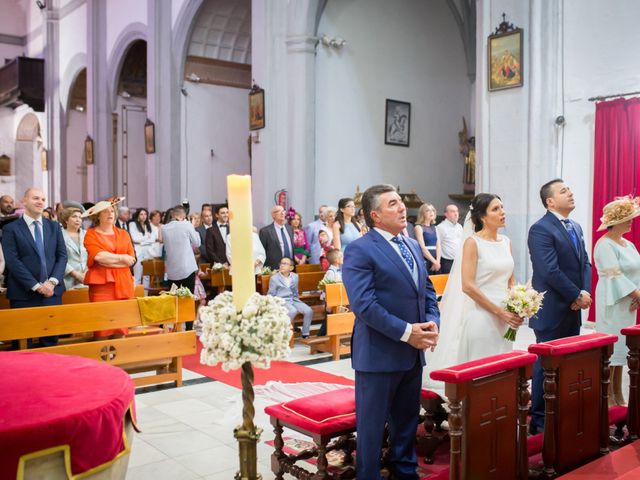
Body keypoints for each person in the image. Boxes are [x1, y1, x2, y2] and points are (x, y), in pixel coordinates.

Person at [342, 184, 439, 479]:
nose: (402, 208)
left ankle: (405, 472)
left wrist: (433, 322)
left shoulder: (409, 244)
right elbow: (364, 305)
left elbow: (427, 291)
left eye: (400, 202)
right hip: (379, 353)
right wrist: (408, 331)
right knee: (371, 427)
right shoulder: (360, 249)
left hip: (412, 353)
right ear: (375, 215)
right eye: (393, 204)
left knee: (407, 422)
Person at [424, 194, 521, 392]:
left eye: (502, 207)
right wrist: (499, 312)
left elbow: (511, 279)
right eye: (495, 209)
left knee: (501, 369)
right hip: (483, 316)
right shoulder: (472, 243)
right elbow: (467, 286)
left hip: (506, 317)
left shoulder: (506, 242)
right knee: (481, 372)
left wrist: (519, 304)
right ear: (483, 217)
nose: (502, 212)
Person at [528, 179, 592, 435]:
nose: (571, 193)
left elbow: (584, 263)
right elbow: (549, 270)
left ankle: (561, 411)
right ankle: (540, 419)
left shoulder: (575, 226)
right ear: (550, 201)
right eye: (564, 191)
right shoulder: (541, 229)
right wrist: (575, 293)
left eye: (570, 189)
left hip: (573, 307)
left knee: (566, 363)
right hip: (552, 307)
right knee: (546, 364)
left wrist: (584, 292)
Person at [2, 188, 67, 347]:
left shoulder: (54, 227)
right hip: (23, 293)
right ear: (24, 201)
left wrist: (51, 282)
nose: (40, 202)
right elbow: (13, 261)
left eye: (43, 199)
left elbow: (62, 256)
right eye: (35, 198)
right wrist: (36, 286)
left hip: (51, 293)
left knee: (50, 342)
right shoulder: (10, 229)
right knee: (24, 344)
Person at [593, 196, 640, 406]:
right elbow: (616, 275)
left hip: (629, 302)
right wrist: (637, 295)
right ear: (615, 221)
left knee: (624, 348)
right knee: (613, 348)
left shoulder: (627, 244)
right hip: (613, 301)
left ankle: (618, 393)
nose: (632, 222)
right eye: (628, 218)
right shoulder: (604, 245)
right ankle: (608, 396)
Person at [82, 197, 136, 339]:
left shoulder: (123, 234)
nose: (110, 214)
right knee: (102, 327)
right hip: (102, 287)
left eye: (112, 210)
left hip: (123, 283)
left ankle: (119, 361)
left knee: (121, 326)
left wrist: (112, 260)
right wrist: (121, 258)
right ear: (97, 216)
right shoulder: (91, 234)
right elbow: (99, 257)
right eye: (105, 212)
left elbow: (131, 259)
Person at [268, 256, 314, 338]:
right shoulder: (274, 278)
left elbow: (295, 291)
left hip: (293, 299)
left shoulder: (295, 276)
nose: (282, 265)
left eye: (285, 264)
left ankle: (305, 333)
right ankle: (282, 332)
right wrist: (273, 306)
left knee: (308, 310)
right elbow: (271, 294)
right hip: (282, 300)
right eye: (281, 263)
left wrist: (298, 302)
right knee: (292, 311)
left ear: (291, 268)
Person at [161, 205, 201, 295]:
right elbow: (197, 243)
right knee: (188, 299)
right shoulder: (187, 225)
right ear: (183, 216)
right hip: (187, 269)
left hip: (172, 271)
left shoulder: (164, 228)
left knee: (174, 299)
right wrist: (193, 227)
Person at [59, 207, 88, 290]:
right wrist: (76, 274)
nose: (78, 220)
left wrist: (85, 273)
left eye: (80, 217)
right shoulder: (59, 235)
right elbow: (58, 257)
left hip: (86, 278)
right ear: (66, 220)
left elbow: (91, 255)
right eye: (74, 216)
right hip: (67, 279)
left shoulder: (86, 234)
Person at [259, 205, 294, 270]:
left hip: (290, 269)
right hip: (274, 269)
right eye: (278, 211)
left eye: (283, 211)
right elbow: (262, 252)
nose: (282, 213)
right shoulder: (265, 231)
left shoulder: (290, 228)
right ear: (273, 215)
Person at [129, 208, 157, 285]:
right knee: (137, 277)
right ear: (138, 215)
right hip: (138, 252)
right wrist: (147, 238)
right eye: (141, 214)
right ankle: (135, 296)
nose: (143, 216)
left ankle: (145, 296)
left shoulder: (149, 225)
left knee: (146, 276)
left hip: (148, 253)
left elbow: (153, 239)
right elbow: (135, 239)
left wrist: (142, 242)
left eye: (145, 214)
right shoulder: (132, 224)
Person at [414, 203, 441, 272]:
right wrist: (434, 262)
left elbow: (438, 246)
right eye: (428, 210)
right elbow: (422, 247)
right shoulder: (418, 227)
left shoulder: (435, 228)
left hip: (436, 259)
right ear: (422, 213)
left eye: (432, 210)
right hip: (425, 259)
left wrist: (437, 261)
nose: (431, 212)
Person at [436, 204, 463, 274]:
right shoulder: (440, 227)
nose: (456, 214)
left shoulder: (459, 227)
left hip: (459, 261)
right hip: (447, 262)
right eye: (452, 211)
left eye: (457, 211)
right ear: (446, 214)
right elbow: (438, 245)